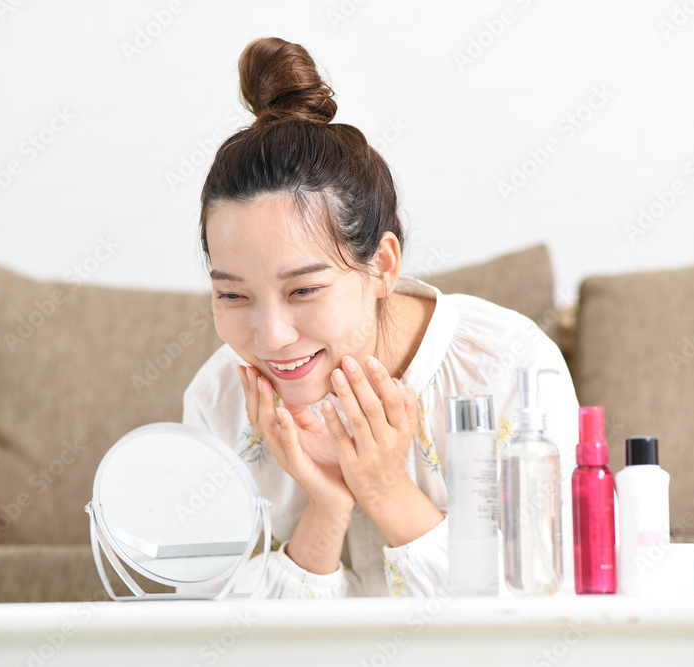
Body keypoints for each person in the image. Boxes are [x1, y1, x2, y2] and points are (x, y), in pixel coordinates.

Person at [182, 37, 579, 598]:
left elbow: (543, 613)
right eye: (233, 296)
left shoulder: (509, 367)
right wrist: (326, 506)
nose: (271, 337)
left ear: (383, 266)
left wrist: (384, 488)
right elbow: (211, 630)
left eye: (304, 290)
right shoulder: (220, 401)